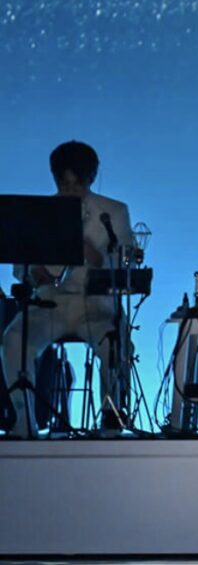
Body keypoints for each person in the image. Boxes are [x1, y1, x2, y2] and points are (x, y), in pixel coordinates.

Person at [1, 141, 133, 438]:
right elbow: (20, 267)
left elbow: (128, 263)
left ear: (91, 177)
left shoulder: (113, 212)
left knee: (116, 344)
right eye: (64, 185)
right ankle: (24, 421)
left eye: (77, 185)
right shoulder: (38, 213)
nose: (70, 191)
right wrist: (33, 273)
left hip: (97, 307)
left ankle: (111, 421)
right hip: (50, 305)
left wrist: (98, 258)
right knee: (13, 339)